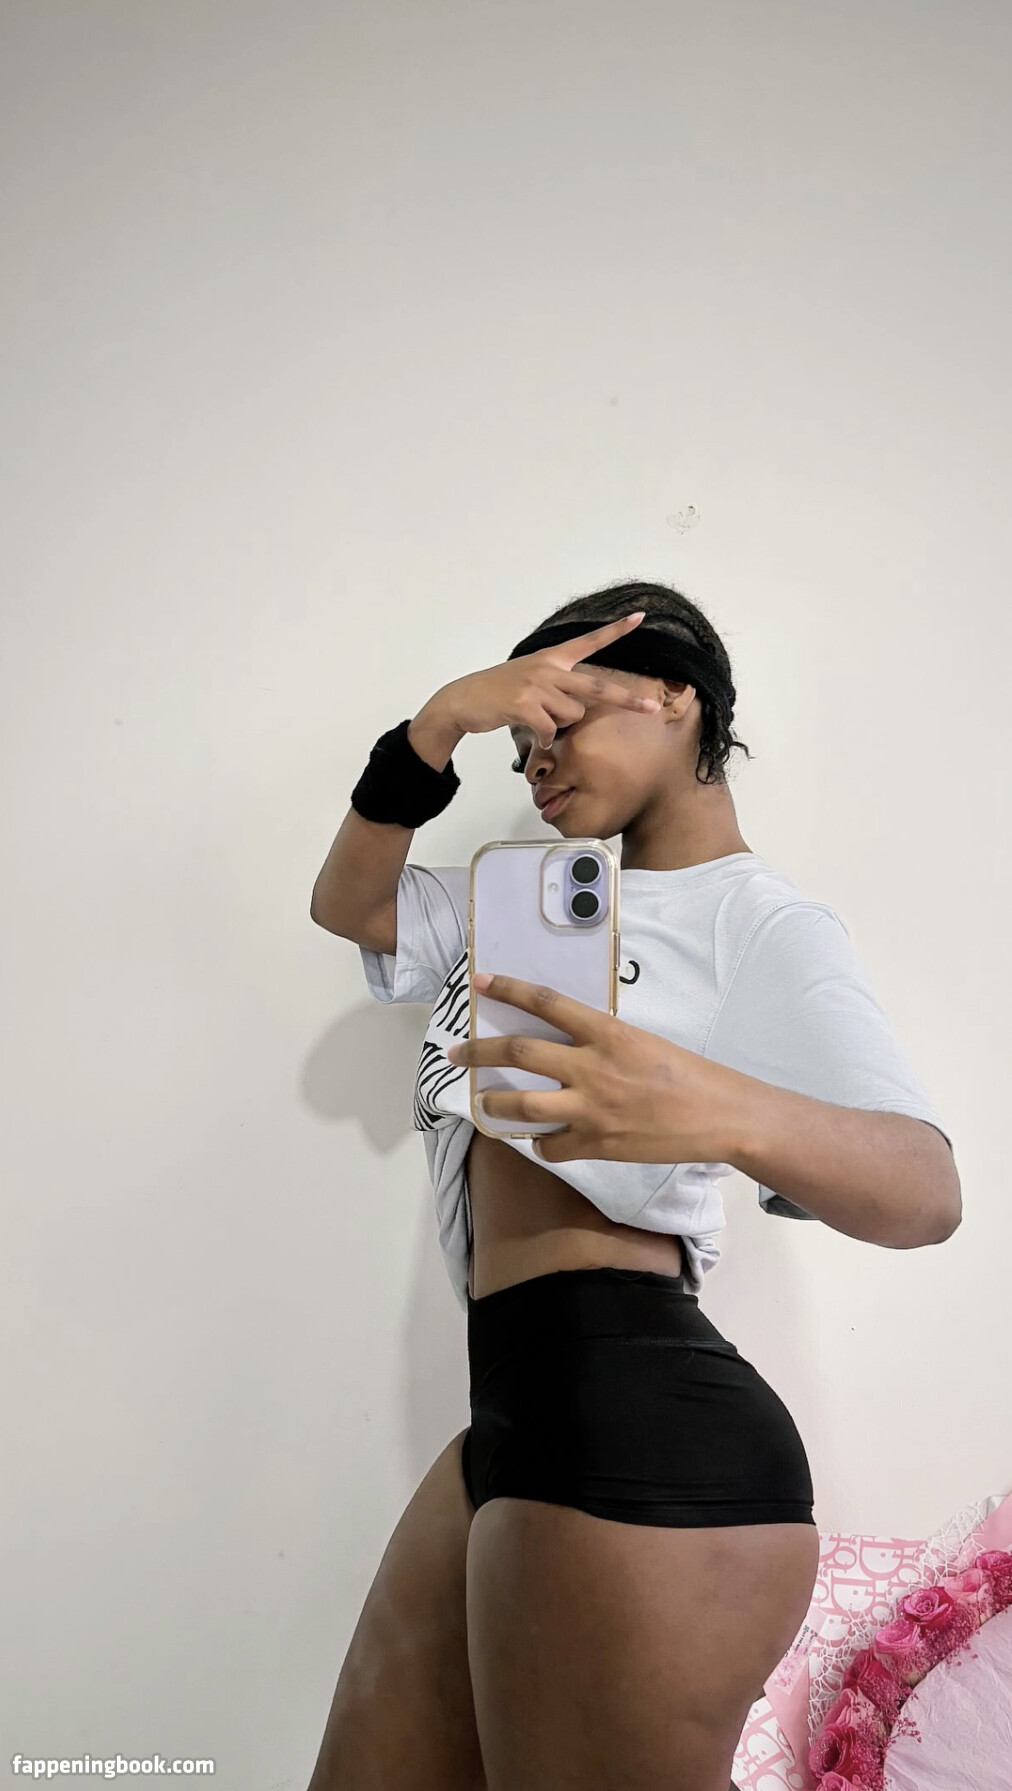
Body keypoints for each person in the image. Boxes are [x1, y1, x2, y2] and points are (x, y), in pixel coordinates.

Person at [307, 579, 961, 1791]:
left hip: (641, 1422)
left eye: (561, 725)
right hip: (509, 1406)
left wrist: (714, 1106)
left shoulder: (759, 922)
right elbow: (348, 902)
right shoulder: (521, 909)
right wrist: (433, 728)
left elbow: (924, 1190)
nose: (536, 767)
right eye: (520, 748)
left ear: (673, 697)